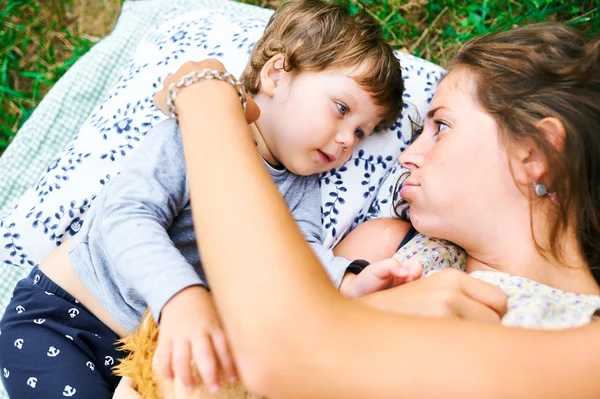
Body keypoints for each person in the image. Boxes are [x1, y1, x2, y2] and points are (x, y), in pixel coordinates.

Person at [149, 22, 600, 397]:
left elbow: (290, 348)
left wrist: (206, 102)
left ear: (535, 154)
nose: (407, 156)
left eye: (441, 126)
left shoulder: (581, 348)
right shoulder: (390, 249)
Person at [0, 1, 407, 397]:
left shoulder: (302, 187)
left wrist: (348, 284)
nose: (345, 141)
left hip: (157, 359)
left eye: (360, 133)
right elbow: (126, 216)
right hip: (62, 321)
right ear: (276, 75)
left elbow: (294, 257)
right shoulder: (197, 130)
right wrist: (179, 297)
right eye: (341, 109)